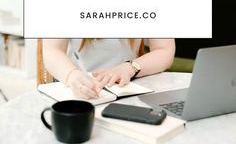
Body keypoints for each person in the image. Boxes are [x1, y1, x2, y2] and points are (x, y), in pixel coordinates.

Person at [43, 39, 175, 99]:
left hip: (128, 86)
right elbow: (51, 50)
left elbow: (164, 50)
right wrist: (72, 75)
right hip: (78, 86)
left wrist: (130, 67)